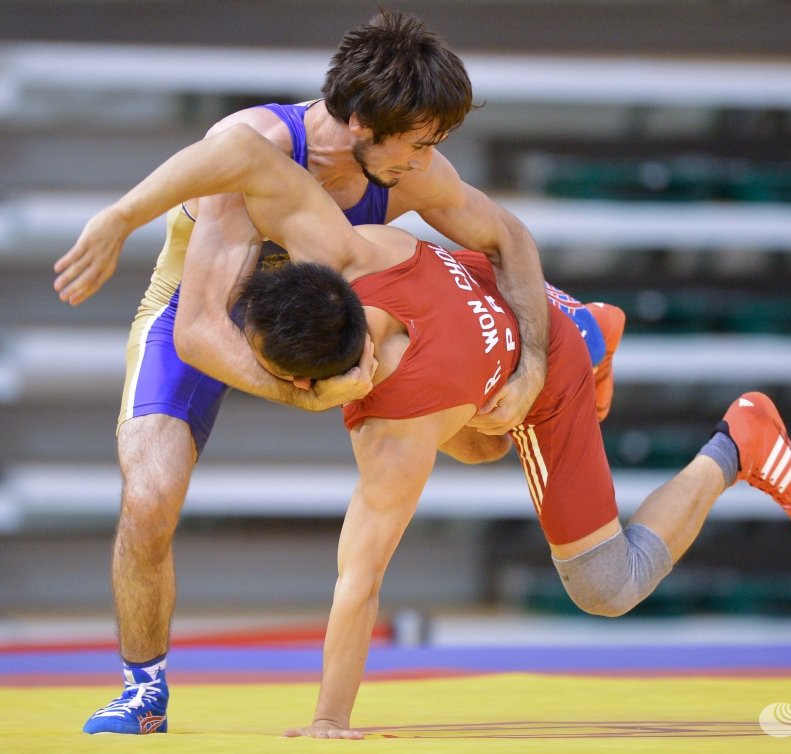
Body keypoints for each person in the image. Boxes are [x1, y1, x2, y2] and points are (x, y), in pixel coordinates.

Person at [89, 123, 791, 738]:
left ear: (310, 385)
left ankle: (734, 442)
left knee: (603, 581)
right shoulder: (347, 250)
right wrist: (121, 215)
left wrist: (329, 720)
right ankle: (587, 323)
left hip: (535, 376)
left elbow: (360, 581)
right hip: (490, 299)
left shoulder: (394, 434)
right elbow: (246, 152)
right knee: (476, 442)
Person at [56, 10, 556, 735]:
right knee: (150, 497)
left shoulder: (407, 167)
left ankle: (580, 343)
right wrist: (312, 395)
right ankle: (143, 690)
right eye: (416, 146)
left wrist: (534, 359)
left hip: (322, 329)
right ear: (360, 121)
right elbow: (200, 330)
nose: (424, 165)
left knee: (488, 442)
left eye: (433, 147)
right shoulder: (256, 151)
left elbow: (509, 237)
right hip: (198, 314)